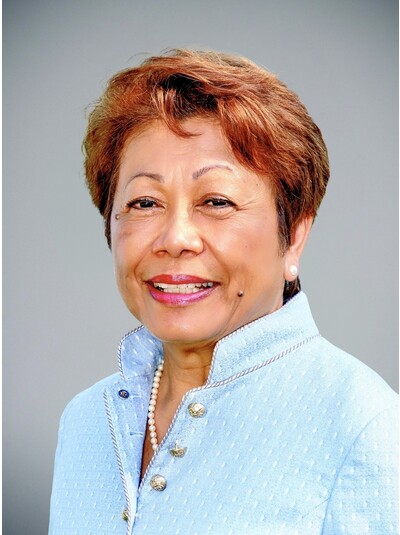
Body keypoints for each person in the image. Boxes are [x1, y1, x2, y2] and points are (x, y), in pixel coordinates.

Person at [49, 49, 398, 534]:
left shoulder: (362, 426)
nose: (175, 238)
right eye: (144, 202)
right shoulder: (87, 421)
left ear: (294, 236)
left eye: (216, 201)